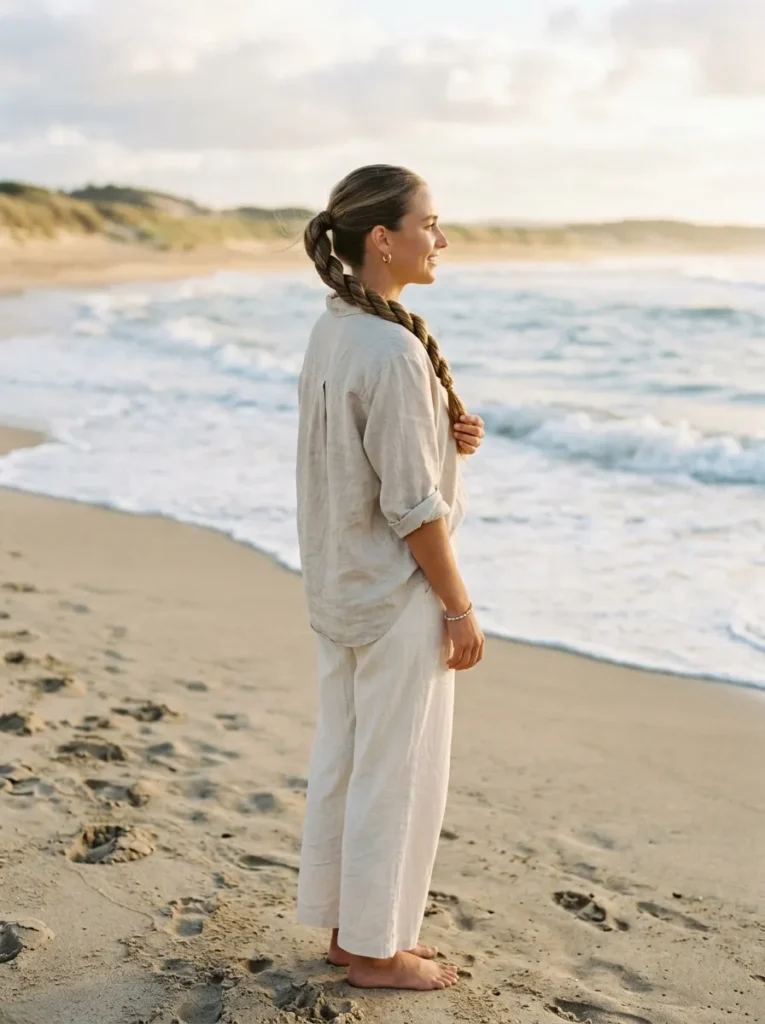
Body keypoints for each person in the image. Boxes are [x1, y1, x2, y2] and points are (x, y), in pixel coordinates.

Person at [295, 164, 485, 992]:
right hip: (396, 594)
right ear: (383, 239)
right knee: (397, 770)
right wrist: (458, 607)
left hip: (341, 585)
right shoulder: (393, 347)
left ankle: (348, 929)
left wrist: (449, 437)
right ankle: (376, 951)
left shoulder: (337, 326)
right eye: (430, 224)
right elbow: (411, 507)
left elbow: (360, 451)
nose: (440, 240)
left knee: (347, 756)